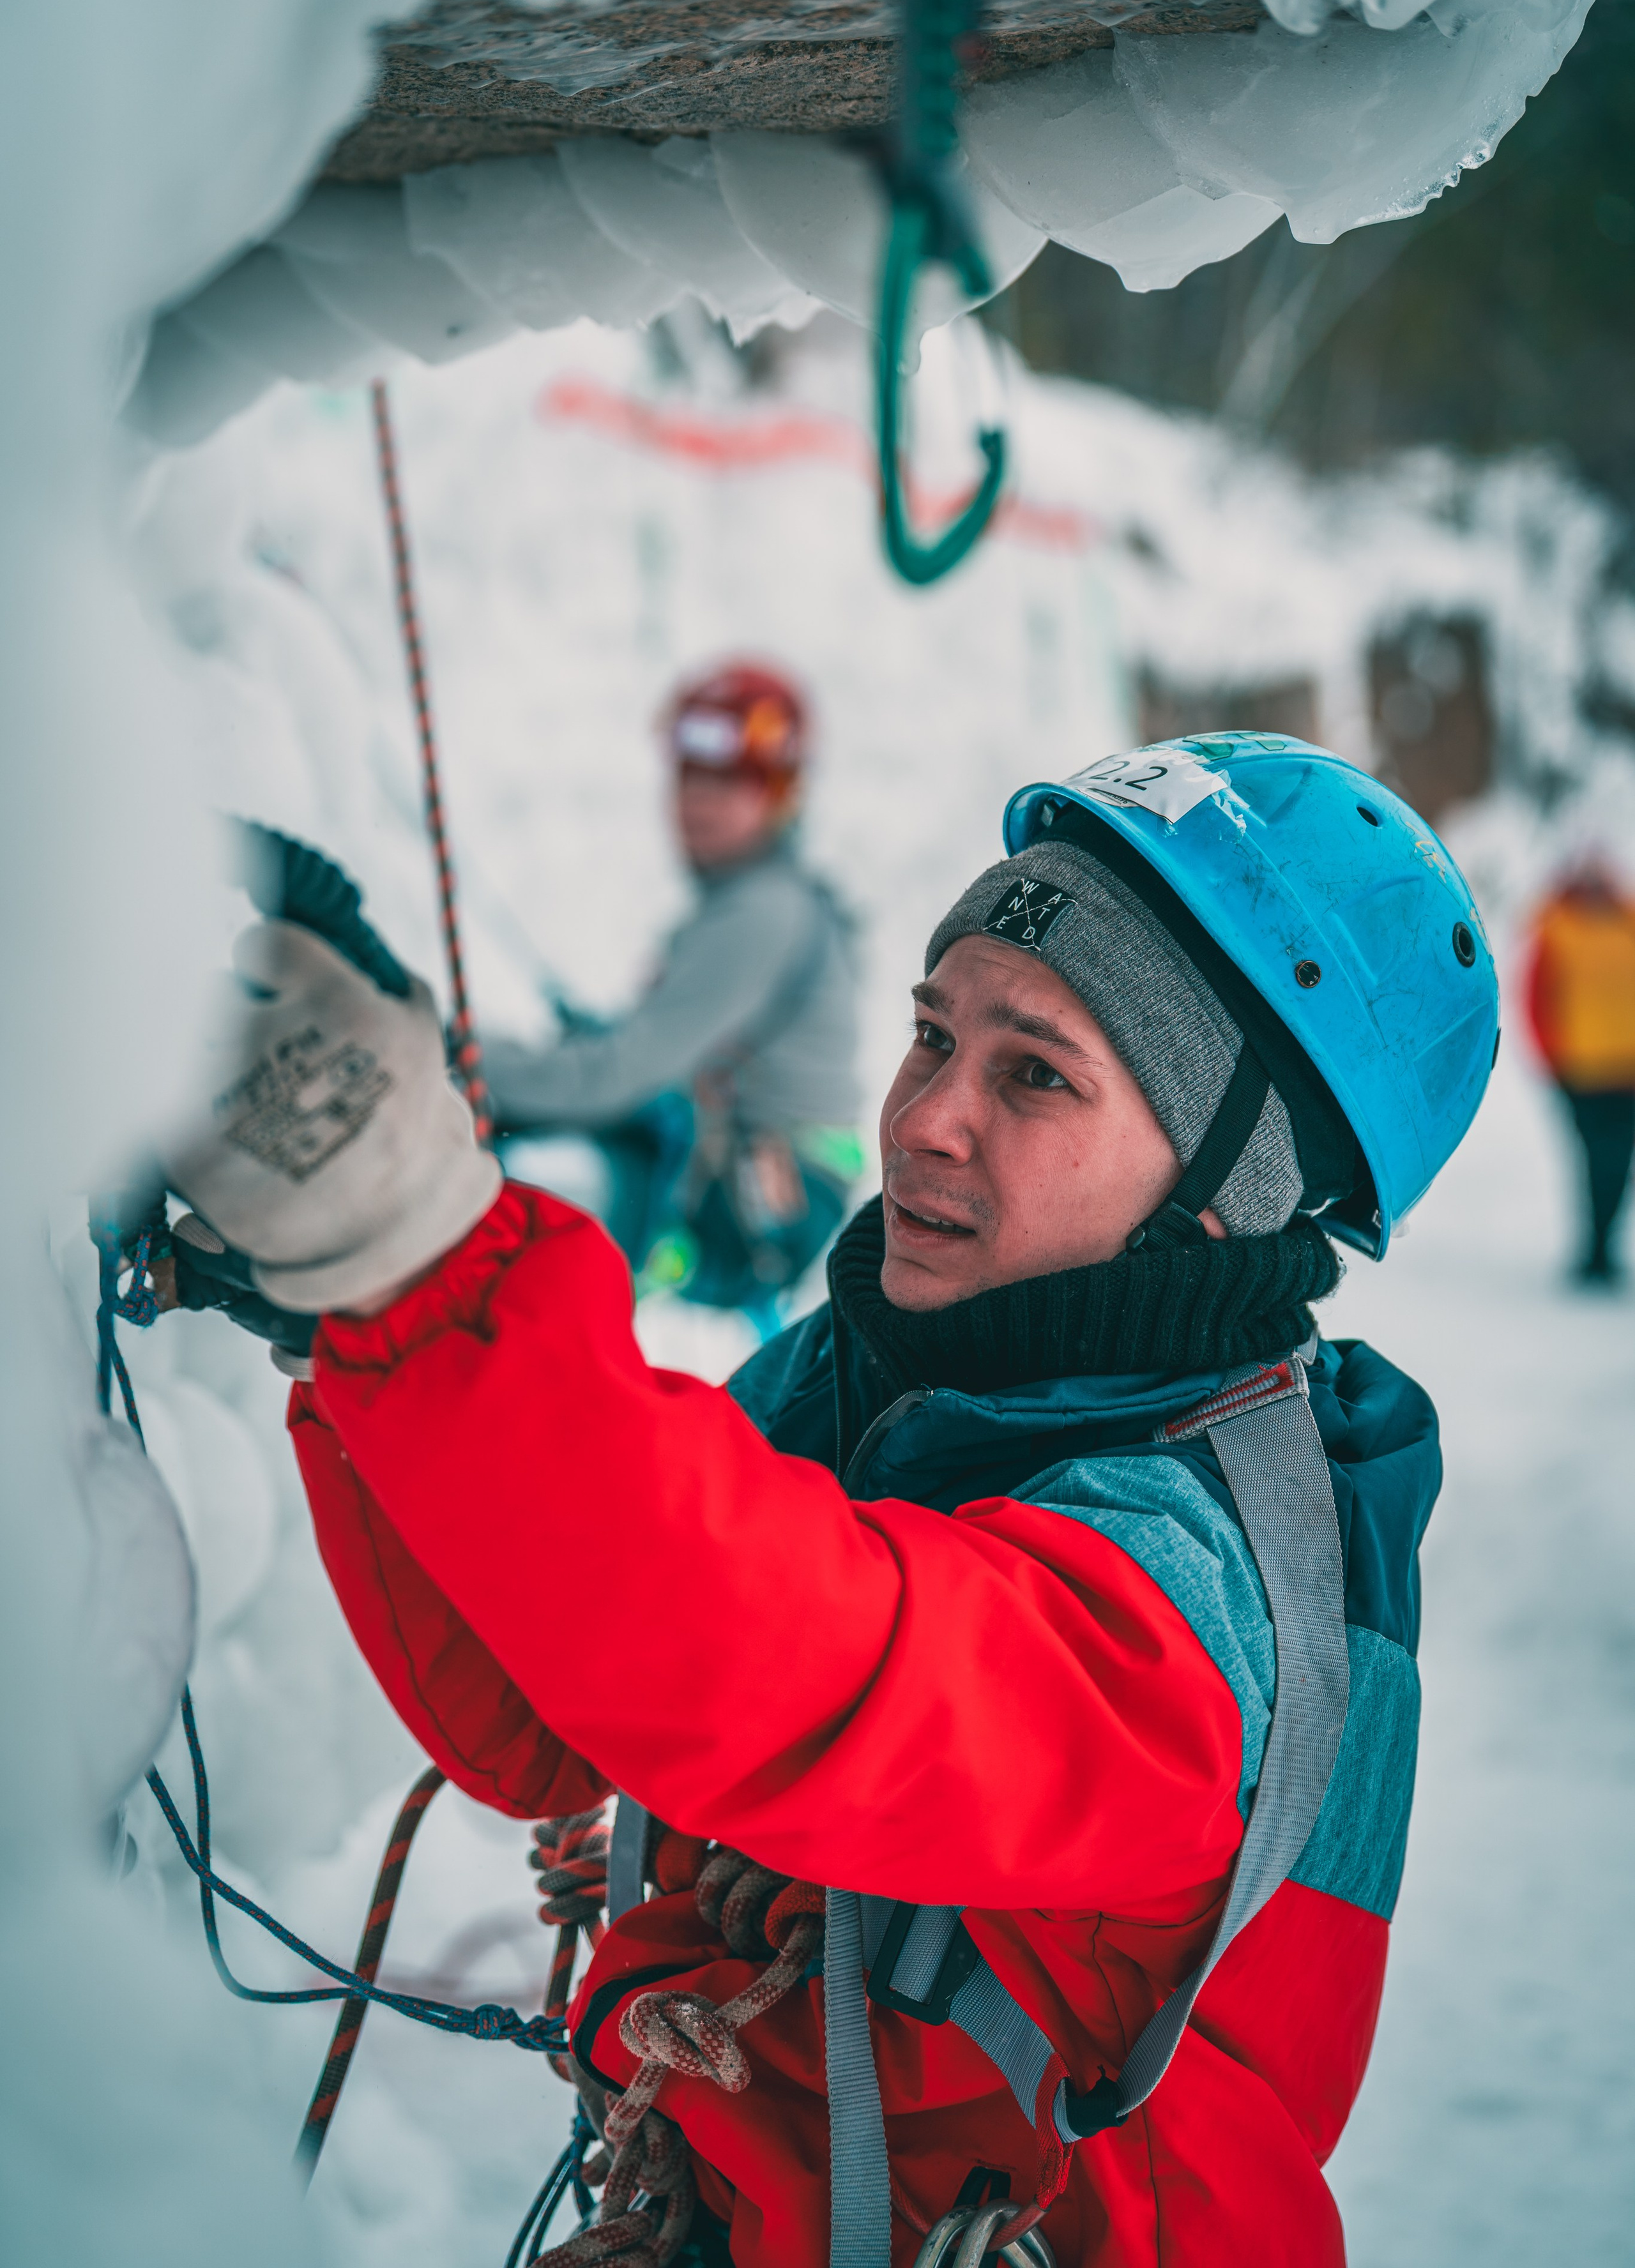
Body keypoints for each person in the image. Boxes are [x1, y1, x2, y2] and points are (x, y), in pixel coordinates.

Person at [165, 735, 1499, 2268]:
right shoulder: (886, 1387)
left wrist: (421, 1272)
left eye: (1034, 1074)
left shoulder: (1191, 1592)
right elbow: (534, 1720)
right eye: (932, 1036)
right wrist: (353, 1325)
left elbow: (810, 1665)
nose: (926, 1117)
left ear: (1216, 1198)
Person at [482, 662, 862, 1321]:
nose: (698, 800)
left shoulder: (764, 912)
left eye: (729, 781)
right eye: (689, 775)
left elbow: (614, 1078)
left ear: (781, 796)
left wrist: (456, 1059)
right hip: (754, 1195)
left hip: (746, 1210)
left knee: (499, 1185)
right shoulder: (757, 904)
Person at [1523, 854, 1635, 1284]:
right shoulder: (1557, 929)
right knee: (1594, 1162)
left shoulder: (1627, 924)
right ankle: (1595, 1249)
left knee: (1616, 1164)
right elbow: (1537, 997)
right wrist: (1554, 1059)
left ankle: (1603, 1247)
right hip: (1582, 1073)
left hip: (1626, 1072)